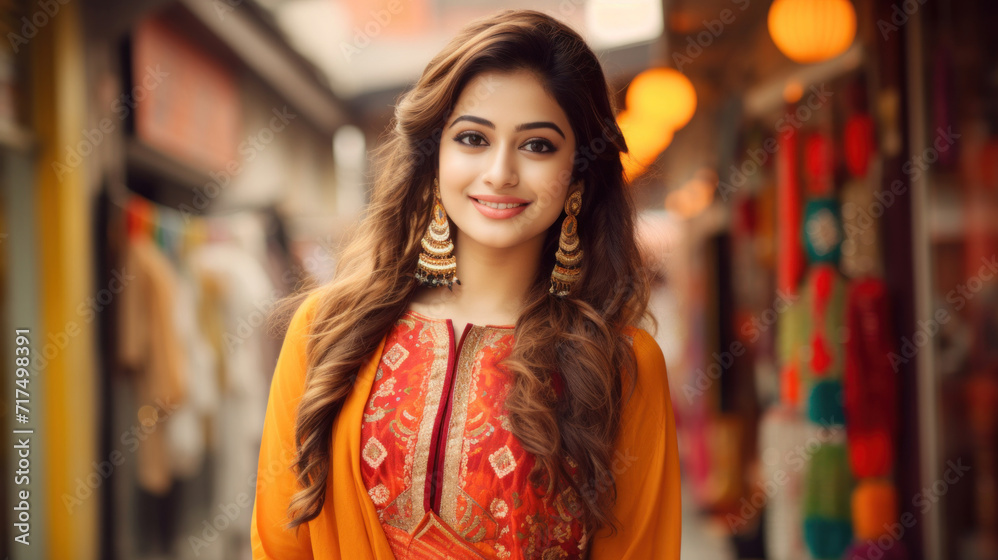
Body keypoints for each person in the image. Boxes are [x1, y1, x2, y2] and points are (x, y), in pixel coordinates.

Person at [250, 8, 681, 559]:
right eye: (473, 138)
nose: (500, 171)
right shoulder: (329, 332)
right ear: (434, 159)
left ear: (577, 173)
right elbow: (279, 541)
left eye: (537, 145)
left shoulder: (619, 364)